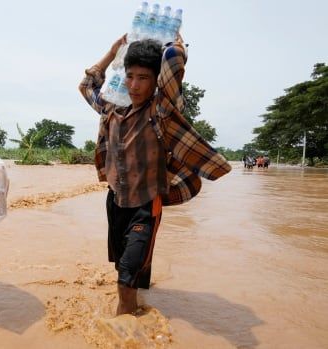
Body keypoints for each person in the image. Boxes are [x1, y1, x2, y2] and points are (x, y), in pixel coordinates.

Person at [79, 34, 230, 315]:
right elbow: (87, 85)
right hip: (115, 202)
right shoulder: (112, 108)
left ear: (155, 80)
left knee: (126, 273)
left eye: (144, 78)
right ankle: (141, 294)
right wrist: (113, 52)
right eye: (130, 76)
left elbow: (172, 61)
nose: (134, 85)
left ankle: (123, 328)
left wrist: (175, 41)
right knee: (125, 262)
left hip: (147, 205)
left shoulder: (160, 110)